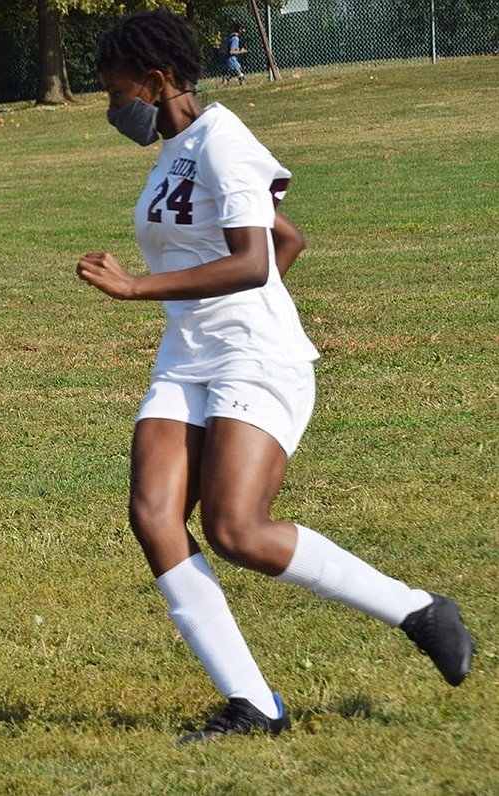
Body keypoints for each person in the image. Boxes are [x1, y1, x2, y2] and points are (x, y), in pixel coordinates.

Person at [76, 10, 474, 744]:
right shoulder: (174, 151)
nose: (111, 106)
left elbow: (256, 260)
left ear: (158, 81)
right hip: (187, 358)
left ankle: (418, 610)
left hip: (256, 362)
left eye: (115, 89)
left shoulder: (222, 141)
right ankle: (253, 704)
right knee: (153, 516)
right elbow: (286, 238)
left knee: (235, 529)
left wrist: (141, 290)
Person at [221, 22, 247, 86]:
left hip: (230, 60)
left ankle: (224, 83)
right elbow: (231, 51)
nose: (244, 31)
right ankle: (243, 86)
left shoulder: (232, 37)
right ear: (239, 29)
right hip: (232, 60)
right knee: (240, 75)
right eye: (242, 29)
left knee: (227, 76)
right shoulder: (235, 39)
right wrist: (241, 51)